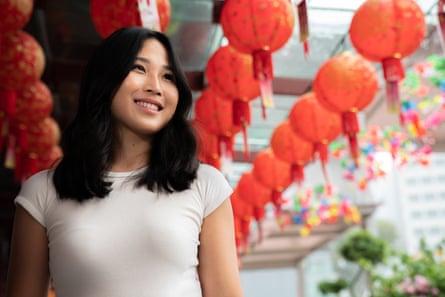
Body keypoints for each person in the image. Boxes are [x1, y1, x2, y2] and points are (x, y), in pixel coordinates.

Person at [6, 26, 244, 297]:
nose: (155, 87)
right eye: (139, 69)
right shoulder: (42, 193)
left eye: (168, 77)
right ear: (105, 80)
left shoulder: (206, 185)